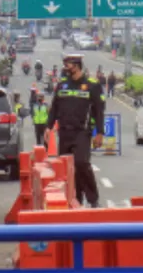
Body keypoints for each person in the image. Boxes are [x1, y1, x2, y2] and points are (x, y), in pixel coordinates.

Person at [45, 53, 104, 207]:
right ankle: (76, 199)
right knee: (68, 168)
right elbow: (54, 108)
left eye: (68, 64)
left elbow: (99, 111)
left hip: (82, 132)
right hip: (64, 133)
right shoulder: (62, 84)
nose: (65, 67)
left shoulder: (92, 85)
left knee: (81, 162)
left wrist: (100, 133)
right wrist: (48, 127)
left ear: (76, 65)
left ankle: (93, 199)